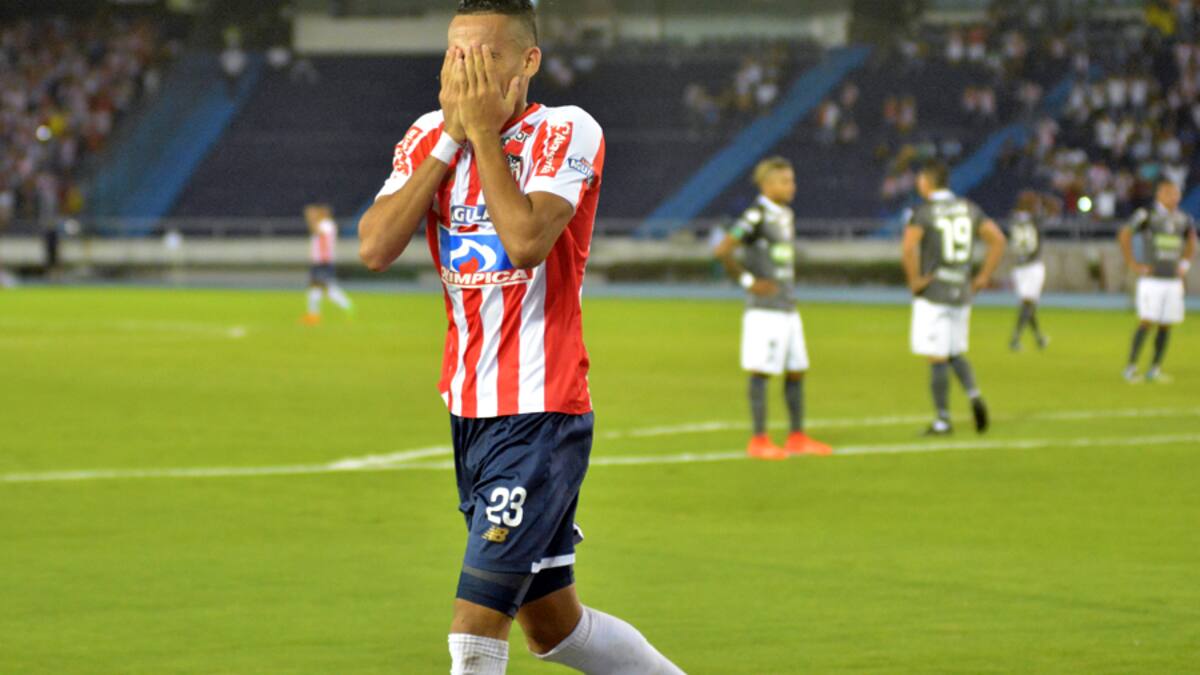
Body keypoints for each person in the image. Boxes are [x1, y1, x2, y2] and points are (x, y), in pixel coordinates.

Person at [357, 2, 684, 673]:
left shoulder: (566, 130)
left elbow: (527, 241)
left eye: (486, 56)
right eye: (456, 55)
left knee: (475, 626)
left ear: (529, 60)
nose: (467, 71)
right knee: (555, 627)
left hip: (541, 410)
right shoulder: (426, 135)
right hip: (469, 412)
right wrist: (449, 142)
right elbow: (374, 247)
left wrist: (481, 134)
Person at [714, 157, 832, 461]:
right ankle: (759, 439)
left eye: (792, 180)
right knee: (761, 371)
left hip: (788, 307)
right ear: (767, 185)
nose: (792, 186)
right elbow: (723, 249)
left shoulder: (785, 215)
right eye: (785, 181)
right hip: (764, 310)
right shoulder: (756, 215)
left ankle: (797, 436)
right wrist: (748, 281)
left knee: (796, 369)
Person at [902, 162, 1007, 436]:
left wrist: (914, 281)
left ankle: (942, 420)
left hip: (934, 292)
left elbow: (909, 247)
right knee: (954, 352)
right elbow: (998, 240)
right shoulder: (969, 208)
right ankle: (974, 395)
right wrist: (983, 277)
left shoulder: (923, 212)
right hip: (961, 291)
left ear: (927, 182)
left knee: (937, 357)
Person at [1119, 180, 1197, 383]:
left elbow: (1192, 240)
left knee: (1166, 324)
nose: (1174, 197)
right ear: (1159, 195)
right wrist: (1132, 263)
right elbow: (1125, 233)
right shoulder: (1146, 215)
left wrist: (1185, 264)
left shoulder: (1183, 218)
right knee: (1147, 321)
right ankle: (1131, 367)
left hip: (1172, 280)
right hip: (1151, 280)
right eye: (1170, 193)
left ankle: (1154, 369)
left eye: (1176, 194)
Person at [1008, 190, 1050, 351]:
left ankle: (1039, 338)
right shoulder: (1036, 219)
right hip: (1033, 265)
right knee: (1028, 304)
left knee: (1028, 305)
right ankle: (1015, 338)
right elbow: (1055, 207)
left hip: (1019, 266)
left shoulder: (1013, 219)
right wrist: (1043, 200)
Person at [303, 204, 353, 325]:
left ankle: (348, 306)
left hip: (323, 261)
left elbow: (321, 236)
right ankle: (313, 315)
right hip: (321, 261)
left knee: (328, 290)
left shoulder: (326, 224)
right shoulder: (326, 224)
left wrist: (310, 218)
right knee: (317, 289)